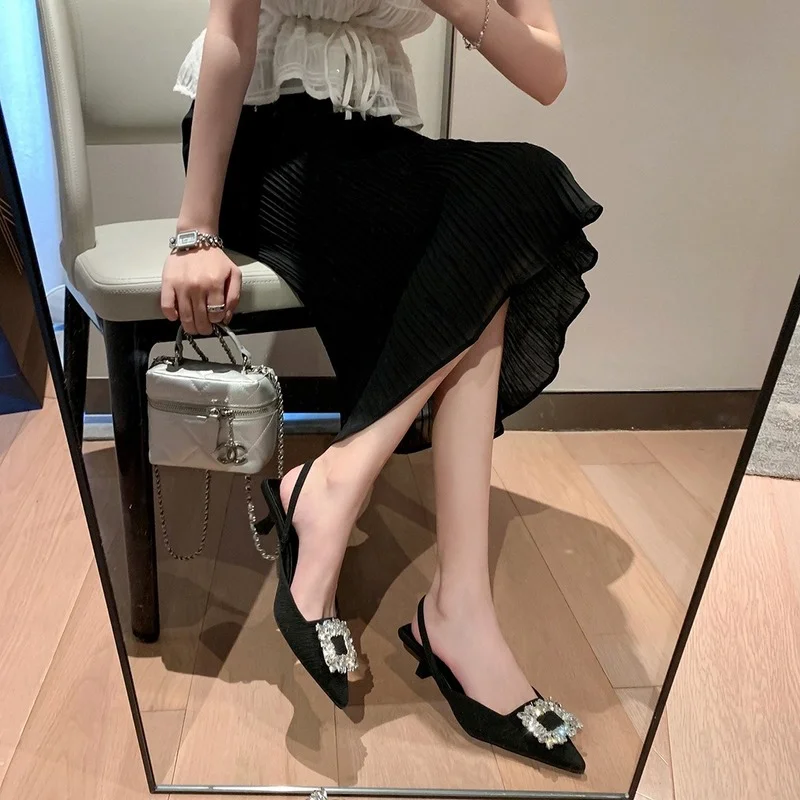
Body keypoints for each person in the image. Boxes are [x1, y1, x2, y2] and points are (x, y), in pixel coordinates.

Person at [162, 0, 600, 773]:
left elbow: (548, 72)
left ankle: (354, 501)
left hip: (376, 142)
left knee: (511, 202)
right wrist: (195, 231)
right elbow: (230, 36)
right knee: (493, 232)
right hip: (262, 141)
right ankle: (455, 610)